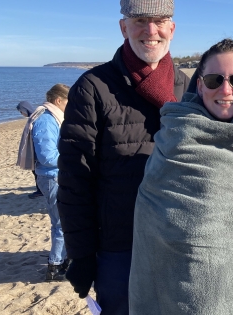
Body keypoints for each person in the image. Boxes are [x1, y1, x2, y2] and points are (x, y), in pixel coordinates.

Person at [129, 39, 233, 314]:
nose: (226, 90)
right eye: (214, 79)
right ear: (199, 84)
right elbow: (151, 229)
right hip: (181, 297)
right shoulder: (175, 136)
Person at [57, 0, 189, 313]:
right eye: (140, 19)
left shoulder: (192, 88)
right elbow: (74, 179)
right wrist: (81, 253)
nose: (151, 30)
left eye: (160, 20)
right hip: (120, 250)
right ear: (123, 27)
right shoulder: (93, 87)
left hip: (182, 243)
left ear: (172, 28)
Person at [30, 84, 70, 281]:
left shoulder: (51, 117)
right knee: (61, 223)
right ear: (58, 101)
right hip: (52, 176)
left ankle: (61, 260)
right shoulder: (46, 120)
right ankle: (55, 267)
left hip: (53, 175)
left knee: (63, 222)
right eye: (68, 103)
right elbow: (46, 156)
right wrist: (72, 158)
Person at [16, 100, 43, 199]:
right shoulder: (34, 117)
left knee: (37, 171)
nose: (21, 114)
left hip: (35, 150)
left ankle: (40, 190)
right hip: (34, 150)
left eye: (21, 111)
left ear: (25, 109)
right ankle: (40, 189)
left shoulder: (35, 118)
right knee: (35, 171)